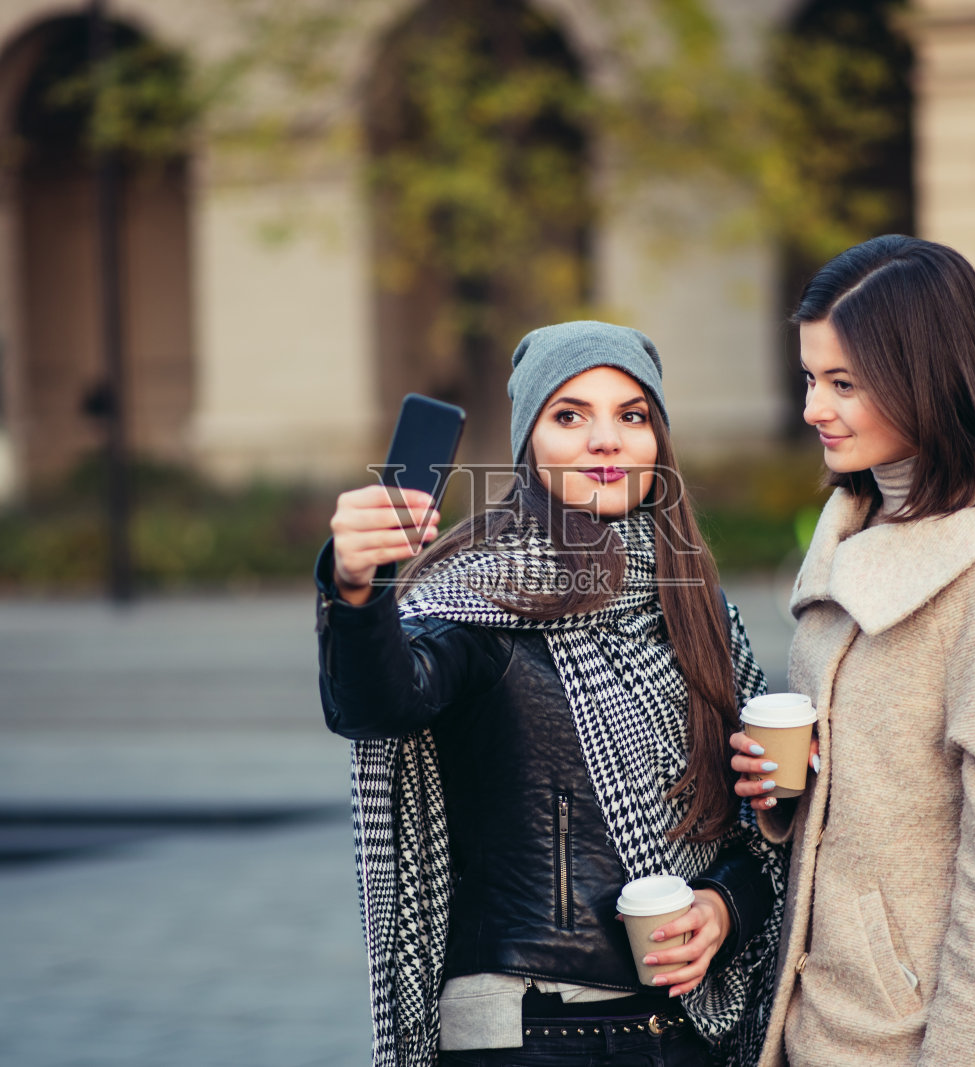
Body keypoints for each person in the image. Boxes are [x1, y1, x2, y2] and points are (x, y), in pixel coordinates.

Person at [316, 321, 787, 1067]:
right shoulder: (477, 597)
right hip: (534, 1029)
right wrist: (354, 587)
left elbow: (754, 828)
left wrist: (724, 907)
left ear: (658, 443)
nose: (606, 440)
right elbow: (380, 702)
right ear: (528, 443)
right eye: (570, 415)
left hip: (687, 1032)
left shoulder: (700, 611)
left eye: (631, 415)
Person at [729, 235, 975, 1066]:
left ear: (928, 375)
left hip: (906, 1043)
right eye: (811, 377)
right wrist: (789, 788)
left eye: (843, 383)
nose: (814, 406)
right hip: (810, 1017)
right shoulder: (856, 527)